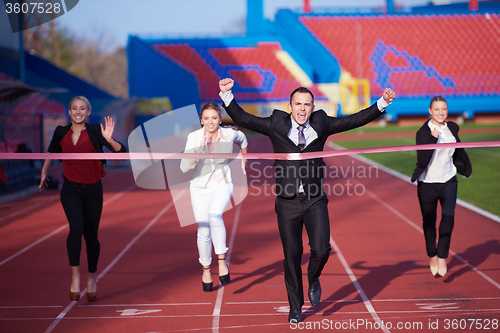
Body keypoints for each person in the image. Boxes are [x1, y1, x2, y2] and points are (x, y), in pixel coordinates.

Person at [219, 78, 396, 323]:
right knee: (292, 256)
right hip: (287, 202)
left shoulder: (322, 123)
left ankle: (313, 277)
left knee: (322, 249)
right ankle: (295, 307)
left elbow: (353, 120)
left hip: (315, 199)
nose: (303, 109)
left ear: (313, 107)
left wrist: (382, 103)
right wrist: (227, 96)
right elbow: (244, 119)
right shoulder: (275, 123)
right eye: (298, 104)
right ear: (290, 106)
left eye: (307, 105)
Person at [39, 96, 126, 302]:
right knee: (76, 228)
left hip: (93, 190)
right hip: (71, 189)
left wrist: (110, 139)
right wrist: (44, 172)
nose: (78, 112)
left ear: (88, 112)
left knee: (91, 236)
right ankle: (75, 277)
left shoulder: (96, 131)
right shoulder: (61, 132)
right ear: (69, 112)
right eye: (74, 108)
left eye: (82, 109)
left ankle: (92, 277)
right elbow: (51, 153)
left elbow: (122, 153)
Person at [180, 102, 248, 292]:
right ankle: (206, 269)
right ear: (201, 120)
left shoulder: (228, 134)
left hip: (222, 183)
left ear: (220, 119)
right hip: (199, 187)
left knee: (215, 215)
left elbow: (243, 140)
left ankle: (222, 261)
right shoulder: (193, 137)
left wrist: (244, 159)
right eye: (206, 118)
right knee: (203, 228)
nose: (211, 122)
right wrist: (199, 151)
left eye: (214, 118)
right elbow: (184, 167)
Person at [411, 96, 471, 278]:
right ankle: (432, 254)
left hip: (448, 179)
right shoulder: (422, 133)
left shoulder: (452, 127)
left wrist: (463, 166)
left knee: (448, 216)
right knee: (429, 222)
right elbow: (422, 160)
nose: (441, 112)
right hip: (427, 183)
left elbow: (458, 148)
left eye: (444, 109)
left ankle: (442, 255)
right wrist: (432, 138)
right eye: (437, 109)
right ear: (430, 111)